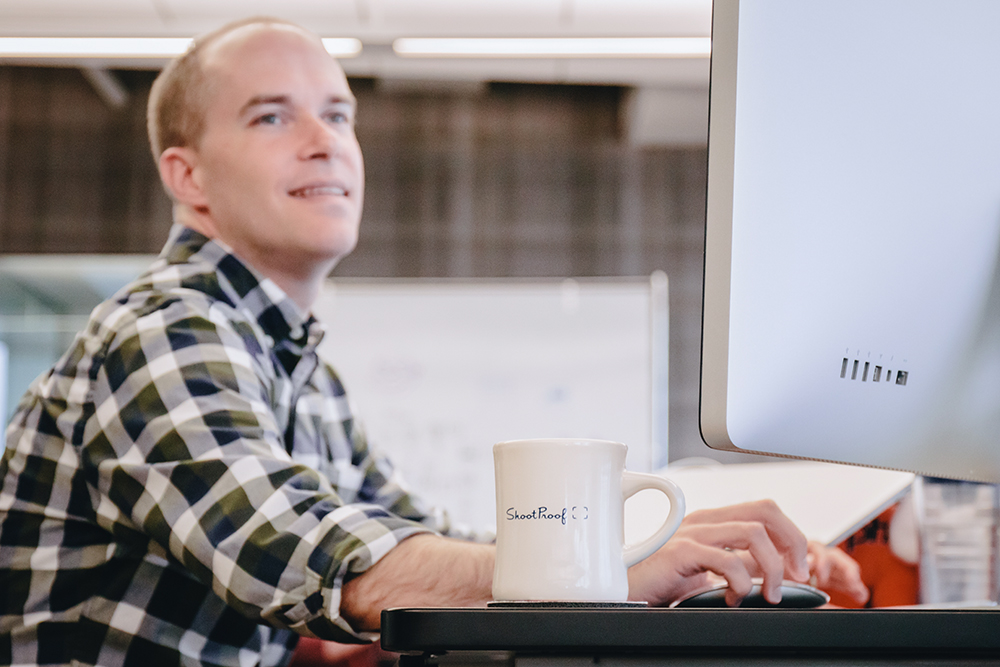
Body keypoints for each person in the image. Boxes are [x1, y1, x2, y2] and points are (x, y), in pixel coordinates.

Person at [0, 17, 868, 667]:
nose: (324, 143)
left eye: (339, 116)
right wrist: (596, 573)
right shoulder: (164, 332)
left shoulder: (301, 370)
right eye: (272, 118)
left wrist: (665, 556)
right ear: (187, 178)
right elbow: (321, 556)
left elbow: (420, 536)